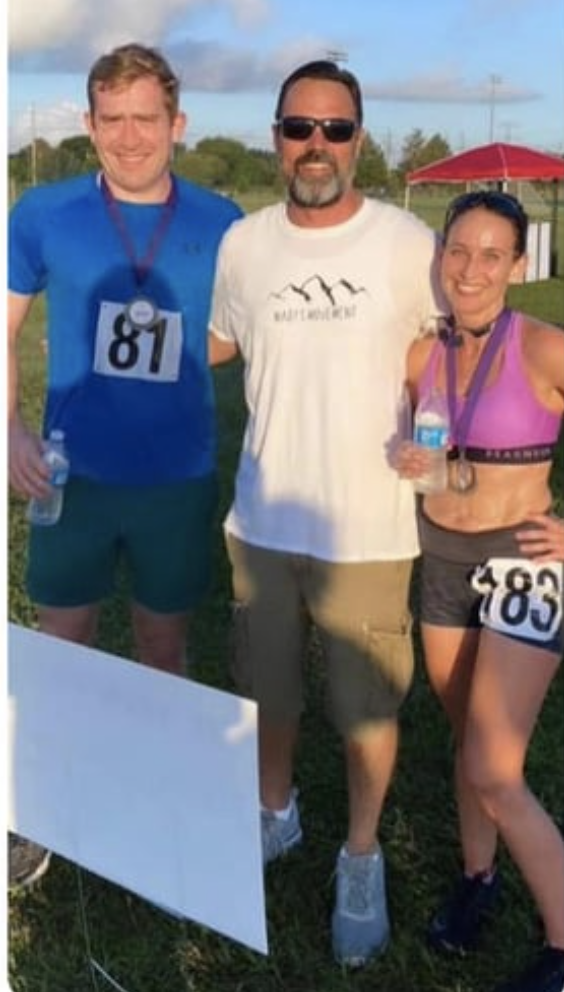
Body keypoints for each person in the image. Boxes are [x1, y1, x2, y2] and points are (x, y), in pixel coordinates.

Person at [208, 59, 444, 967]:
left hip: (369, 529)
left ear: (358, 140)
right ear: (276, 137)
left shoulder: (405, 243)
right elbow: (219, 344)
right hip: (263, 521)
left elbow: (450, 357)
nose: (317, 145)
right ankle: (276, 812)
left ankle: (361, 854)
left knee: (365, 707)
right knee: (267, 690)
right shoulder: (243, 245)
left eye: (335, 129)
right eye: (299, 127)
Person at [8, 42, 242, 887]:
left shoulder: (225, 222)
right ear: (89, 122)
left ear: (178, 123)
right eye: (113, 119)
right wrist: (10, 432)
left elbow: (240, 334)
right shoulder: (43, 212)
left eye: (148, 118)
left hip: (175, 478)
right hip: (70, 476)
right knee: (60, 644)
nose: (131, 136)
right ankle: (39, 808)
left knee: (161, 645)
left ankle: (160, 793)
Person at [396, 190, 564, 992]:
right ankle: (478, 876)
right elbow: (417, 443)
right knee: (467, 738)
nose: (470, 270)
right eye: (458, 250)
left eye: (492, 255)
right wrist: (407, 453)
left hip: (522, 561)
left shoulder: (543, 347)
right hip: (441, 558)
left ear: (519, 265)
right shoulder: (422, 354)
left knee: (495, 768)